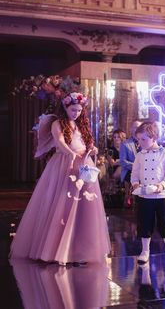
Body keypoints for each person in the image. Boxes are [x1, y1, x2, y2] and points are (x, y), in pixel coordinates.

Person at [10, 91, 111, 265]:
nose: (76, 113)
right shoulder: (57, 123)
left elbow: (88, 143)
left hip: (83, 165)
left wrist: (92, 149)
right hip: (64, 163)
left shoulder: (82, 125)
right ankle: (54, 248)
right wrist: (71, 154)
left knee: (83, 207)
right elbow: (60, 142)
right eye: (73, 110)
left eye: (79, 110)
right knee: (62, 203)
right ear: (66, 107)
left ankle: (80, 250)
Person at [131, 122, 165, 270]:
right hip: (145, 195)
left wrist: (162, 185)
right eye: (138, 140)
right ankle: (145, 251)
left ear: (153, 137)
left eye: (143, 139)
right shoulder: (139, 155)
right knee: (145, 223)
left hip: (161, 195)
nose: (140, 143)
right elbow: (134, 173)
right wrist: (135, 184)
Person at [120, 120, 141, 207]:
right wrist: (136, 167)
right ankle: (129, 200)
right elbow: (123, 161)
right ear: (131, 129)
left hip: (144, 171)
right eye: (135, 127)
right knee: (133, 176)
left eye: (139, 127)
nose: (137, 129)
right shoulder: (125, 144)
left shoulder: (146, 142)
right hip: (129, 171)